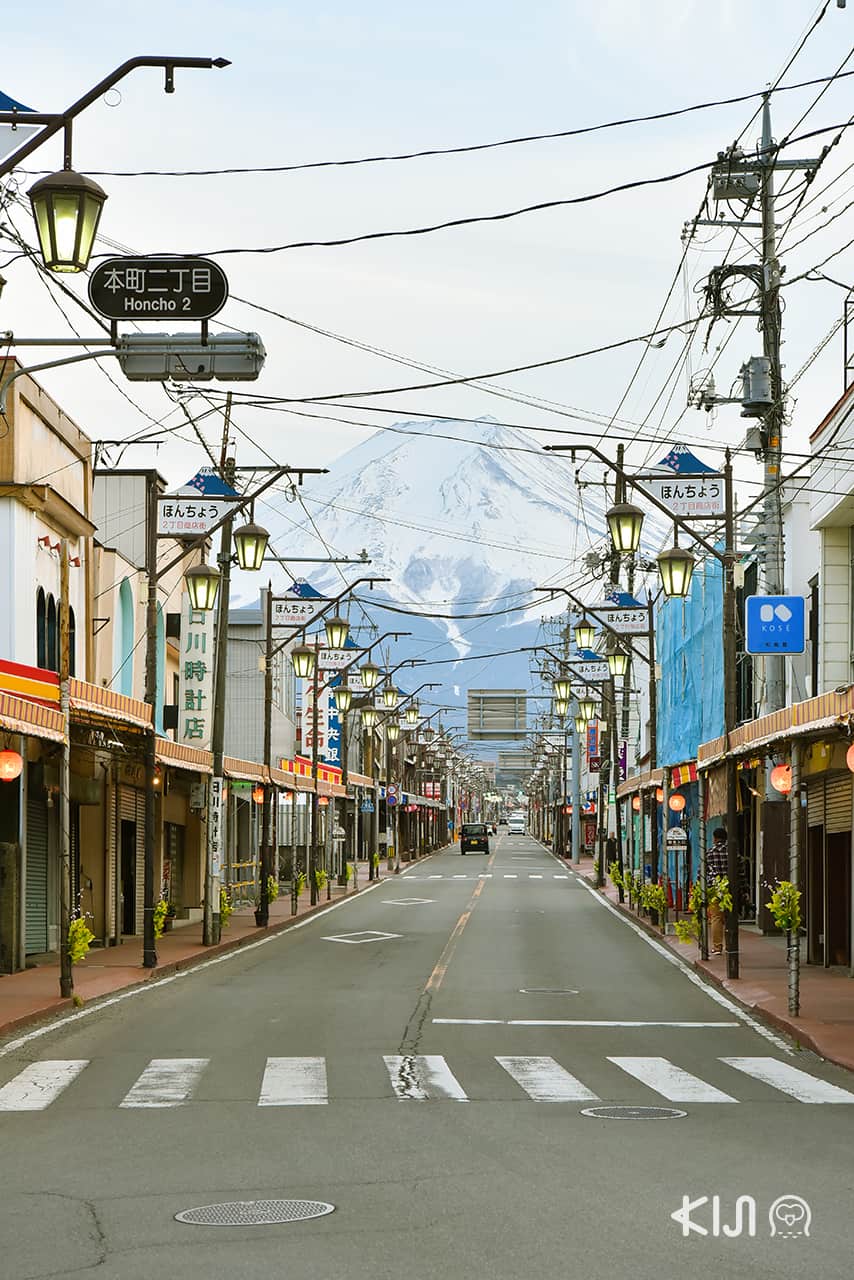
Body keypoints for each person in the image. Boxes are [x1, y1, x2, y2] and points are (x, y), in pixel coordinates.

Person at [706, 826, 729, 955]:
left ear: (714, 838)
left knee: (716, 918)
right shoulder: (732, 852)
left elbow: (702, 873)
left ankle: (717, 946)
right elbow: (741, 872)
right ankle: (731, 945)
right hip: (729, 889)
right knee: (730, 918)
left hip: (714, 889)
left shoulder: (709, 853)